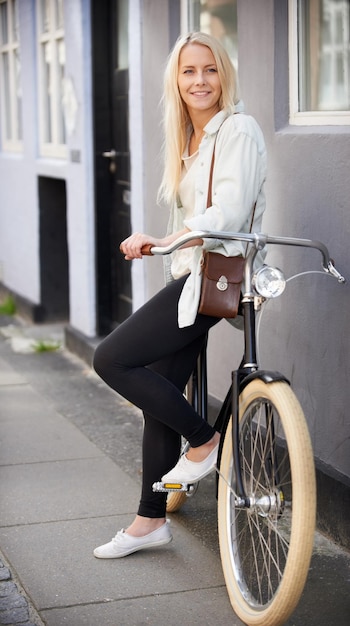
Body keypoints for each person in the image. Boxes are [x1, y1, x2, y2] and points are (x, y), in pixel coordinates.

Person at [93, 32, 267, 559]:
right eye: (189, 71)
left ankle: (204, 440)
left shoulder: (237, 129)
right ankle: (150, 520)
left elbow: (230, 214)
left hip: (213, 277)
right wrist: (171, 244)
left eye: (210, 70)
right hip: (193, 274)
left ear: (224, 75)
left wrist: (168, 238)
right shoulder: (187, 137)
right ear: (176, 79)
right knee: (160, 393)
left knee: (112, 358)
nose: (200, 81)